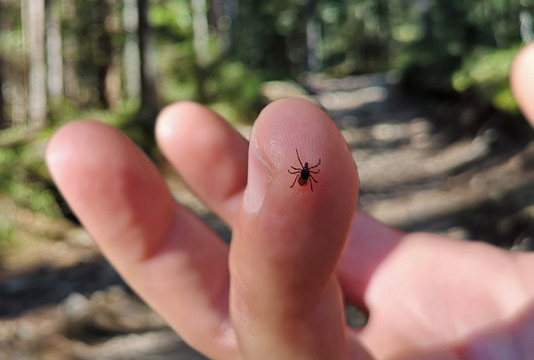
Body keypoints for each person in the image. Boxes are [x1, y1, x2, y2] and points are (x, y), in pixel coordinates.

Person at [45, 43, 534, 359]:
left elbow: (310, 171)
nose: (304, 170)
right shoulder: (305, 171)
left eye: (303, 168)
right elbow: (309, 170)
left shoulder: (306, 172)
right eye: (303, 168)